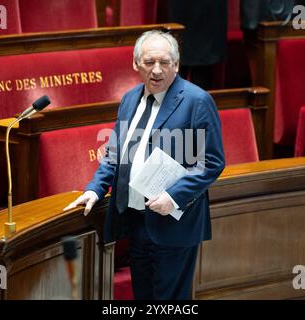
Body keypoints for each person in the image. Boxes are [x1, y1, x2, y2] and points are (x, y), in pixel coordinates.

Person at [67, 30, 225, 300]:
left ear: (176, 64)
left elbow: (211, 162)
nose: (157, 70)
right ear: (135, 64)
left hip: (174, 224)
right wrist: (95, 189)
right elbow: (115, 154)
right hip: (136, 221)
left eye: (164, 62)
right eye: (149, 62)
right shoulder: (129, 100)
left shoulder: (196, 101)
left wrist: (174, 197)